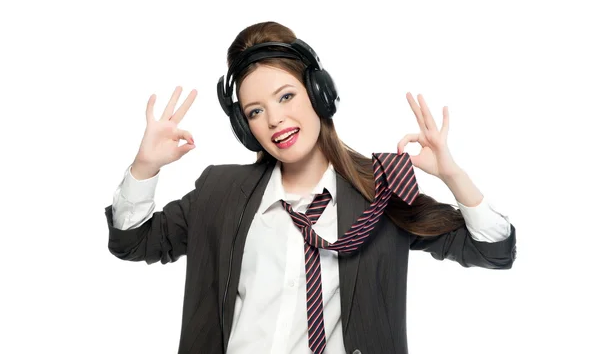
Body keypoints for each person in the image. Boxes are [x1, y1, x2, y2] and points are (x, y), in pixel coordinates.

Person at [104, 21, 516, 354]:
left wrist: (453, 175)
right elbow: (132, 241)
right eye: (255, 111)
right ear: (245, 128)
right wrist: (144, 168)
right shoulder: (219, 191)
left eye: (286, 96)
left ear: (319, 94)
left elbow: (493, 250)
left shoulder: (381, 190)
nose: (275, 120)